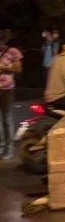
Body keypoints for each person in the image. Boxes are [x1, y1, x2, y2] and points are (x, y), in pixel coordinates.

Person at [0, 30, 23, 159]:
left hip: (7, 89)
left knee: (7, 119)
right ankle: (1, 147)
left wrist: (3, 68)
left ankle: (9, 149)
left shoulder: (13, 51)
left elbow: (18, 68)